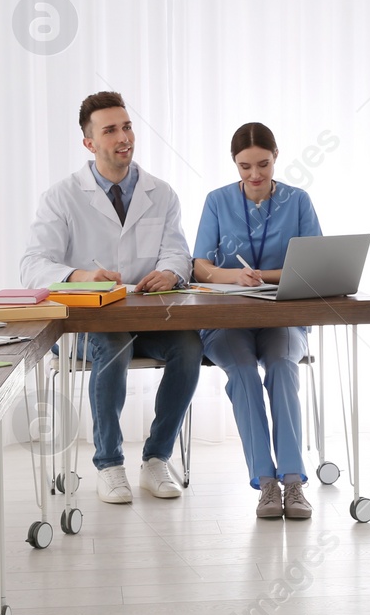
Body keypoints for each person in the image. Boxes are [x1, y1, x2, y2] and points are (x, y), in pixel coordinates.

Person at [20, 90, 201, 504]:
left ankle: (156, 459)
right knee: (114, 346)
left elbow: (177, 250)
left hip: (148, 318)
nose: (124, 137)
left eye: (127, 126)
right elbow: (32, 265)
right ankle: (110, 464)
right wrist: (80, 276)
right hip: (89, 324)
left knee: (190, 345)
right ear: (90, 143)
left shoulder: (162, 192)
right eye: (111, 130)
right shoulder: (62, 196)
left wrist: (171, 271)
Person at [192, 123, 322, 519]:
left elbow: (313, 265)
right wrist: (233, 276)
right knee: (244, 373)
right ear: (234, 163)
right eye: (244, 166)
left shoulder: (298, 201)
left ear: (276, 156)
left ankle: (294, 481)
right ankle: (266, 483)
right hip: (227, 320)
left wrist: (263, 277)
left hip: (283, 319)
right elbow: (200, 266)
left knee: (283, 367)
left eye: (263, 165)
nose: (254, 175)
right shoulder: (217, 201)